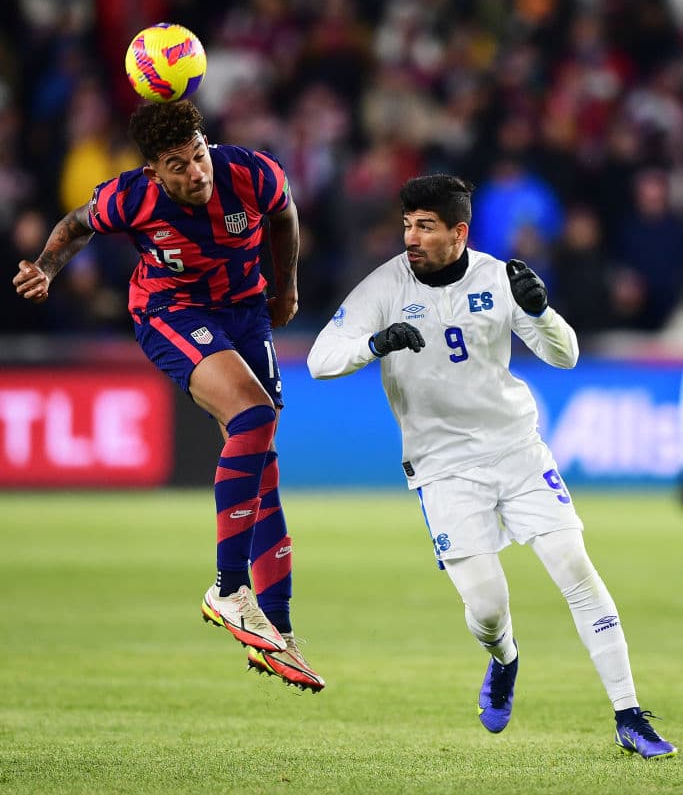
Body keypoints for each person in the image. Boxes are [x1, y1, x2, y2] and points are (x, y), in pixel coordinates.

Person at [307, 173, 676, 755]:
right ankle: (504, 657)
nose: (412, 237)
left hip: (516, 448)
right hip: (442, 466)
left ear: (459, 232)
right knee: (485, 607)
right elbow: (320, 360)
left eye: (425, 227)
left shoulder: (500, 277)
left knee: (575, 569)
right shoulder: (382, 287)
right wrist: (374, 345)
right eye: (407, 225)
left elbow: (566, 355)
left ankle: (630, 714)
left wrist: (543, 311)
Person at [13, 98, 324, 693]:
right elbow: (75, 225)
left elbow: (285, 216)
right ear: (154, 171)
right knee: (253, 416)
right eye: (178, 165)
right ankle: (229, 589)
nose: (196, 172)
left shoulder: (252, 173)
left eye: (199, 155)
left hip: (245, 313)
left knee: (262, 462)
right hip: (169, 310)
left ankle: (277, 631)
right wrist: (49, 269)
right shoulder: (130, 197)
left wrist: (284, 288)